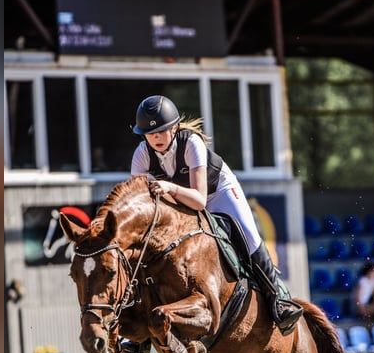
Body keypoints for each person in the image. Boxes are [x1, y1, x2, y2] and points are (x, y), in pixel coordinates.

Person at [129, 94, 303, 337]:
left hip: (216, 191)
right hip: (179, 198)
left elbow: (199, 201)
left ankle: (279, 298)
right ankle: (139, 331)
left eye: (161, 131)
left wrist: (168, 187)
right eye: (149, 133)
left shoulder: (191, 144)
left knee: (248, 234)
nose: (155, 137)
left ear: (175, 127)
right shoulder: (141, 155)